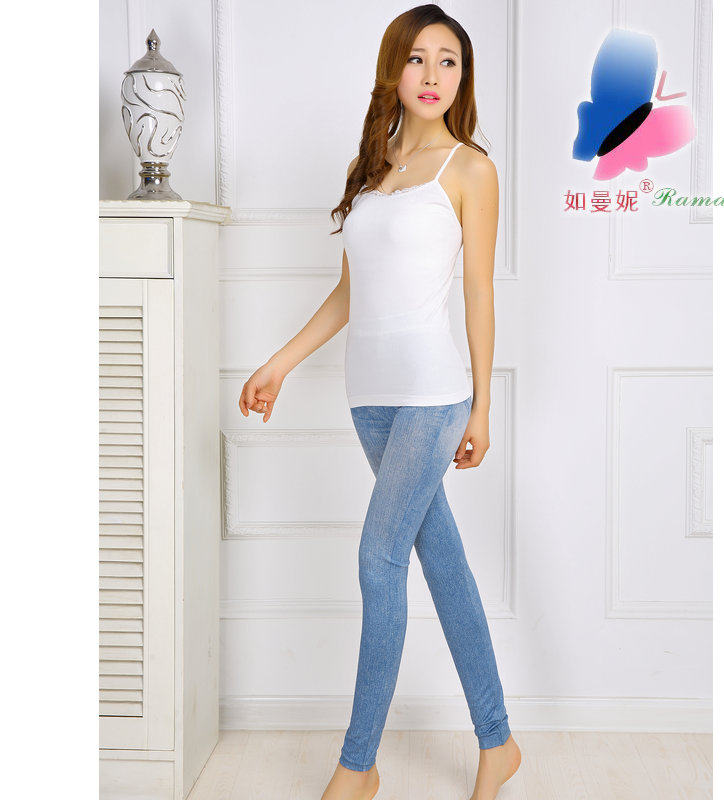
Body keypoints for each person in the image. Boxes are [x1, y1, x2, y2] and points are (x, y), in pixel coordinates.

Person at [238, 5, 522, 799]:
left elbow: (478, 292)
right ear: (393, 70)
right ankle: (499, 744)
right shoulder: (376, 165)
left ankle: (357, 765)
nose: (433, 75)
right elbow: (350, 293)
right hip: (370, 400)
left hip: (433, 395)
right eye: (418, 59)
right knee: (445, 566)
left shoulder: (470, 169)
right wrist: (280, 363)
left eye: (449, 61)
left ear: (463, 77)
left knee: (378, 559)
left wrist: (481, 408)